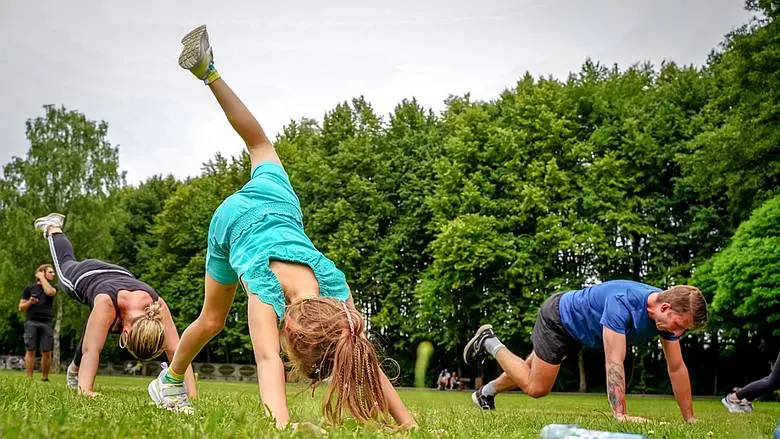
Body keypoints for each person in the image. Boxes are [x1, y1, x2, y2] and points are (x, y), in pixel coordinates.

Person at [147, 25, 417, 430]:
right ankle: (168, 383)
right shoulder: (264, 292)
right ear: (289, 328)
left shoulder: (338, 297)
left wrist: (410, 425)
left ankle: (210, 71)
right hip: (233, 223)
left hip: (275, 203)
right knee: (212, 320)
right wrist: (282, 426)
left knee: (258, 143)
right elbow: (268, 359)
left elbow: (359, 354)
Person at [463, 280, 707, 423]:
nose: (677, 334)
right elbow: (614, 362)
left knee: (528, 370)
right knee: (536, 387)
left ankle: (485, 394)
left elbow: (676, 367)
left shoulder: (666, 318)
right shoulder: (621, 303)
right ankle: (489, 341)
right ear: (665, 307)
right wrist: (620, 415)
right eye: (679, 325)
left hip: (579, 333)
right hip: (558, 319)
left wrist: (690, 418)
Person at [32, 214, 196, 397]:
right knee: (65, 262)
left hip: (121, 273)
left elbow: (177, 350)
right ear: (125, 335)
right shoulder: (106, 304)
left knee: (95, 327)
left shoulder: (157, 305)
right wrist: (85, 390)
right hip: (85, 274)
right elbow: (91, 350)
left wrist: (192, 395)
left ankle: (73, 369)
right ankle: (52, 228)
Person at [18, 264, 57, 381]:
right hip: (32, 322)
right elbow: (21, 308)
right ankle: (29, 378)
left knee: (47, 351)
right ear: (42, 272)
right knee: (30, 350)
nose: (53, 274)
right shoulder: (29, 289)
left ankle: (45, 377)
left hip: (47, 323)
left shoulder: (53, 287)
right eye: (50, 272)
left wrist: (42, 278)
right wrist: (30, 302)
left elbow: (50, 292)